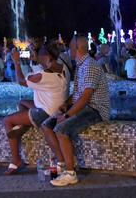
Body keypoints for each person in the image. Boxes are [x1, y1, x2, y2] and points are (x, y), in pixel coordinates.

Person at [42, 35, 110, 187]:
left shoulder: (90, 65)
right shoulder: (81, 65)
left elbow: (86, 97)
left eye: (70, 47)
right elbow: (78, 94)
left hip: (95, 110)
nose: (67, 50)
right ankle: (61, 164)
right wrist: (66, 104)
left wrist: (67, 115)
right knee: (47, 124)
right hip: (83, 107)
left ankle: (71, 174)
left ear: (76, 48)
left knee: (61, 129)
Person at [3, 41, 70, 175]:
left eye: (39, 58)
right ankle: (25, 125)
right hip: (56, 106)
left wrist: (16, 62)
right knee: (22, 103)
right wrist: (37, 56)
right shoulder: (62, 67)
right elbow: (42, 69)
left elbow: (21, 81)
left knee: (7, 121)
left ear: (46, 58)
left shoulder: (44, 76)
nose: (37, 60)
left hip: (45, 112)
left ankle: (16, 160)